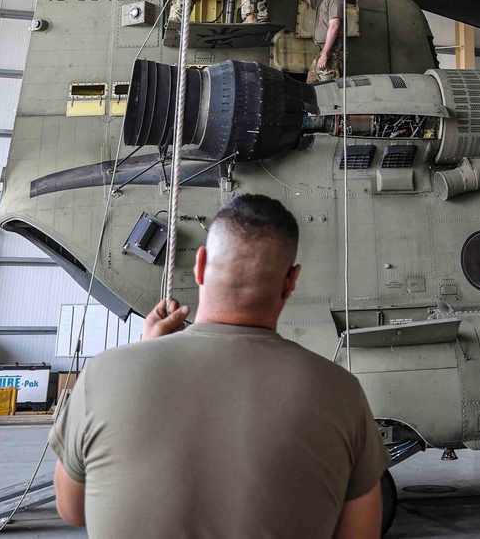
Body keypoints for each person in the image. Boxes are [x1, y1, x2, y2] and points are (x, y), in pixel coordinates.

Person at [51, 194, 387, 539]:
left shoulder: (104, 376)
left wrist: (146, 356)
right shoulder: (341, 392)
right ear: (291, 281)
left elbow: (71, 508)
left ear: (199, 265)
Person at [281, 0, 344, 81]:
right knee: (311, 84)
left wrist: (325, 53)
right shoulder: (321, 2)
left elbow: (334, 27)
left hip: (331, 52)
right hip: (323, 51)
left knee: (327, 88)